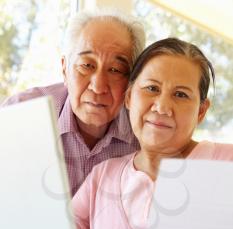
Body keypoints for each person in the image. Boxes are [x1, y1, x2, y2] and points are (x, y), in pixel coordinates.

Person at [72, 37, 233, 229]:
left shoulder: (226, 164)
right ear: (128, 98)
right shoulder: (101, 178)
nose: (162, 107)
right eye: (152, 89)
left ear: (201, 111)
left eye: (180, 94)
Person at [1, 8, 145, 195]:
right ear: (65, 69)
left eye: (116, 70)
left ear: (132, 80)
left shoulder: (144, 136)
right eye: (86, 65)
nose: (98, 86)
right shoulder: (20, 113)